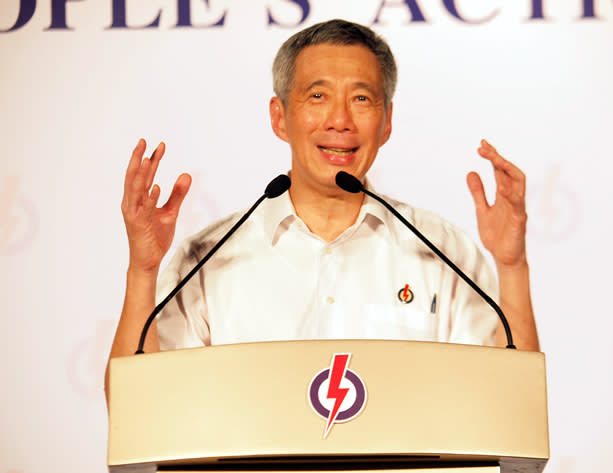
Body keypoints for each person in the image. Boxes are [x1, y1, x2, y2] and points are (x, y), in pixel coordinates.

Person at [106, 19, 539, 397]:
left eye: (361, 99)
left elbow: (510, 409)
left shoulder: (443, 253)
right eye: (317, 96)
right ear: (279, 117)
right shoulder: (210, 258)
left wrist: (512, 265)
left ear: (387, 121)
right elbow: (136, 411)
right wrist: (142, 272)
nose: (339, 121)